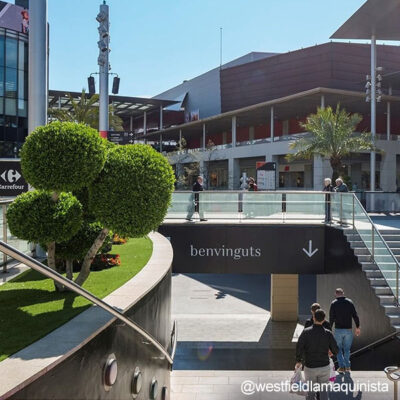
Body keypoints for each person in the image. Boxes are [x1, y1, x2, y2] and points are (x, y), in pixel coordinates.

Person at [296, 309, 339, 400]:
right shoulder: (328, 333)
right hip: (324, 366)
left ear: (314, 318)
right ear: (324, 320)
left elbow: (299, 346)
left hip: (310, 366)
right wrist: (331, 352)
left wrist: (298, 360)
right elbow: (336, 350)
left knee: (310, 393)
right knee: (324, 393)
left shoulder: (306, 332)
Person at [329, 288, 361, 374]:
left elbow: (331, 318)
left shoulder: (333, 303)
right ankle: (347, 367)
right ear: (343, 293)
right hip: (348, 330)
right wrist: (357, 327)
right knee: (347, 349)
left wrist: (329, 329)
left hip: (338, 330)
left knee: (338, 349)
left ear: (335, 294)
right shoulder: (349, 302)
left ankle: (342, 367)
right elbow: (355, 315)